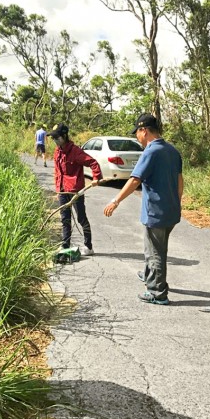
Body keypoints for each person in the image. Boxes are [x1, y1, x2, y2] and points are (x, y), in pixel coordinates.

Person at [103, 113, 183, 305]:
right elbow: (180, 180)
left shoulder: (151, 151)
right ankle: (150, 276)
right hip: (171, 210)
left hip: (156, 211)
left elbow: (134, 179)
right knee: (156, 247)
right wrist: (176, 202)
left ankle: (157, 292)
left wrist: (116, 200)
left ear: (144, 131)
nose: (137, 138)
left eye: (137, 133)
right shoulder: (172, 151)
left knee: (154, 251)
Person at [50, 122, 102, 256]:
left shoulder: (75, 152)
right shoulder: (57, 152)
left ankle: (88, 246)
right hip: (62, 191)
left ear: (65, 136)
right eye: (53, 138)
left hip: (75, 191)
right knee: (65, 219)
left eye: (57, 137)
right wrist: (58, 190)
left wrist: (96, 178)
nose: (55, 140)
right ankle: (65, 245)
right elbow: (57, 172)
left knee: (81, 218)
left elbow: (93, 162)